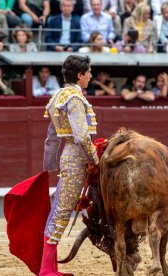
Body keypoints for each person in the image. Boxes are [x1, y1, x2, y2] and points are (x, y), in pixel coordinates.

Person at [40, 55, 98, 276]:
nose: (91, 76)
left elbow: (52, 136)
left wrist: (51, 164)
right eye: (89, 73)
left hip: (69, 156)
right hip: (77, 158)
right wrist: (96, 161)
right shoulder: (74, 98)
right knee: (61, 211)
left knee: (58, 210)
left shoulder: (58, 96)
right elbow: (83, 137)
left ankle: (50, 267)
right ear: (80, 75)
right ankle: (46, 270)